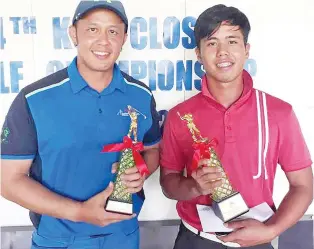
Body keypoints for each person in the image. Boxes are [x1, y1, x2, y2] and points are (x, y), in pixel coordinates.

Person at [1, 1, 161, 249]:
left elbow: (152, 150)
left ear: (124, 38)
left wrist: (140, 171)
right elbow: (8, 181)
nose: (103, 41)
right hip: (57, 240)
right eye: (92, 29)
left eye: (112, 31)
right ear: (73, 33)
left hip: (124, 236)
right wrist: (79, 212)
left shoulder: (140, 95)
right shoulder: (34, 98)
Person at [160, 4, 313, 249]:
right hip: (195, 240)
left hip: (257, 239)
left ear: (246, 49)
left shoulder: (278, 112)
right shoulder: (181, 116)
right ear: (198, 54)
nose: (222, 52)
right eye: (211, 43)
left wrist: (272, 230)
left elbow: (303, 185)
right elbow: (168, 183)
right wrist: (194, 186)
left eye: (232, 41)